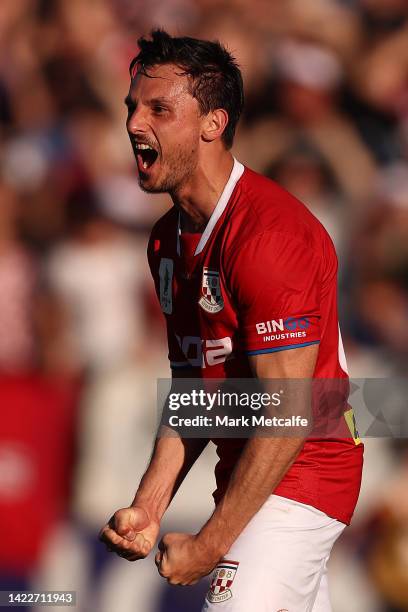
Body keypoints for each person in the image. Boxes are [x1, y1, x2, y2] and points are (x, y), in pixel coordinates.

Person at [99, 29, 363, 611]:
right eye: (133, 107)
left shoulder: (269, 235)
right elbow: (198, 391)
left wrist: (210, 544)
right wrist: (149, 509)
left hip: (303, 476)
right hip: (247, 478)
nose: (134, 125)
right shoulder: (166, 243)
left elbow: (291, 411)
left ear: (213, 124)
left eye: (159, 109)